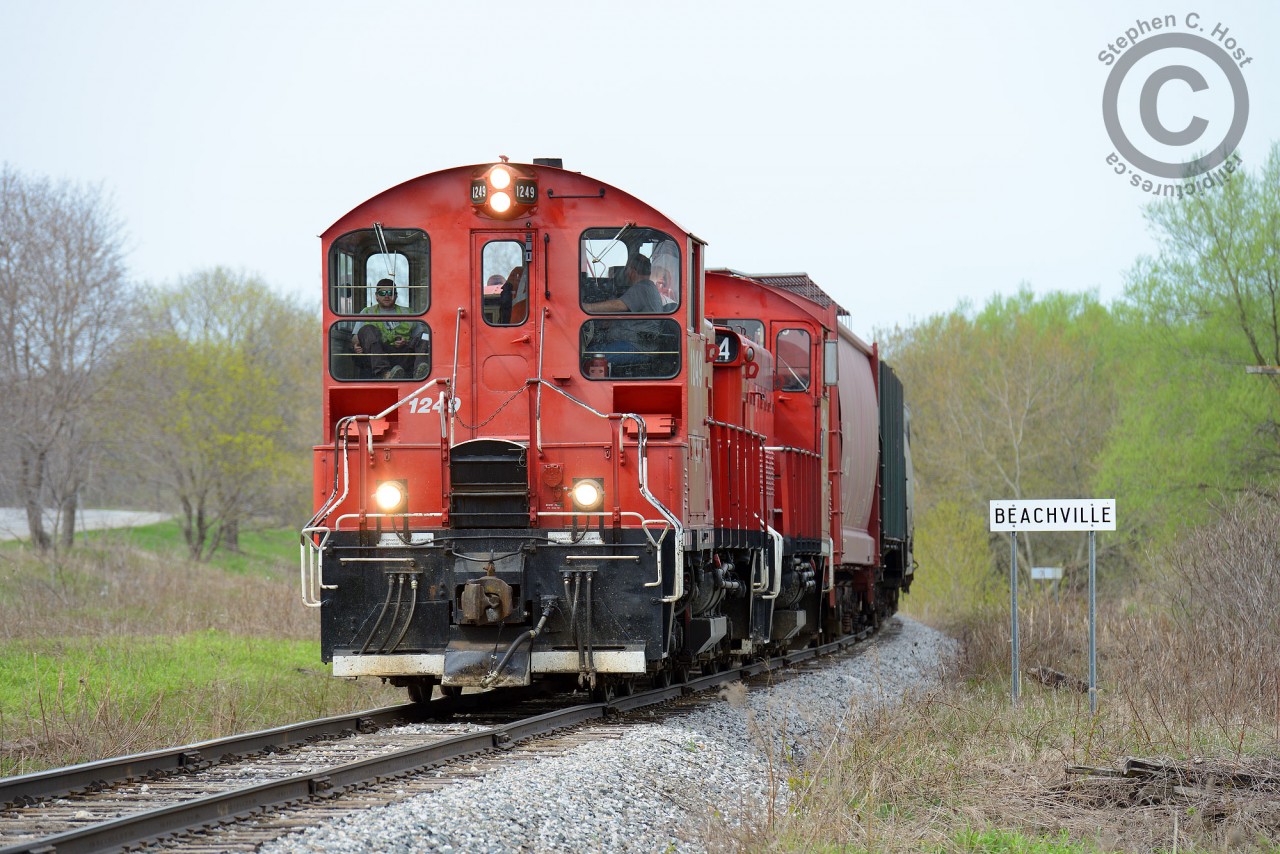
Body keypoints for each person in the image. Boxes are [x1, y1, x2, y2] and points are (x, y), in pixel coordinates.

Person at [352, 279, 428, 380]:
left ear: (396, 295)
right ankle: (385, 373)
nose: (386, 296)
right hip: (376, 355)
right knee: (367, 329)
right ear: (376, 296)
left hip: (403, 354)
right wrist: (356, 344)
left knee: (425, 336)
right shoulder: (366, 312)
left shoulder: (408, 312)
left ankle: (420, 373)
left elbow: (422, 335)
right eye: (382, 293)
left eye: (390, 293)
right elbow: (355, 336)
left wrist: (406, 341)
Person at [583, 255, 664, 313]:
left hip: (633, 335)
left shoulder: (641, 288)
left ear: (632, 271)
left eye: (627, 269)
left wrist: (588, 307)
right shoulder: (649, 286)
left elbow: (619, 305)